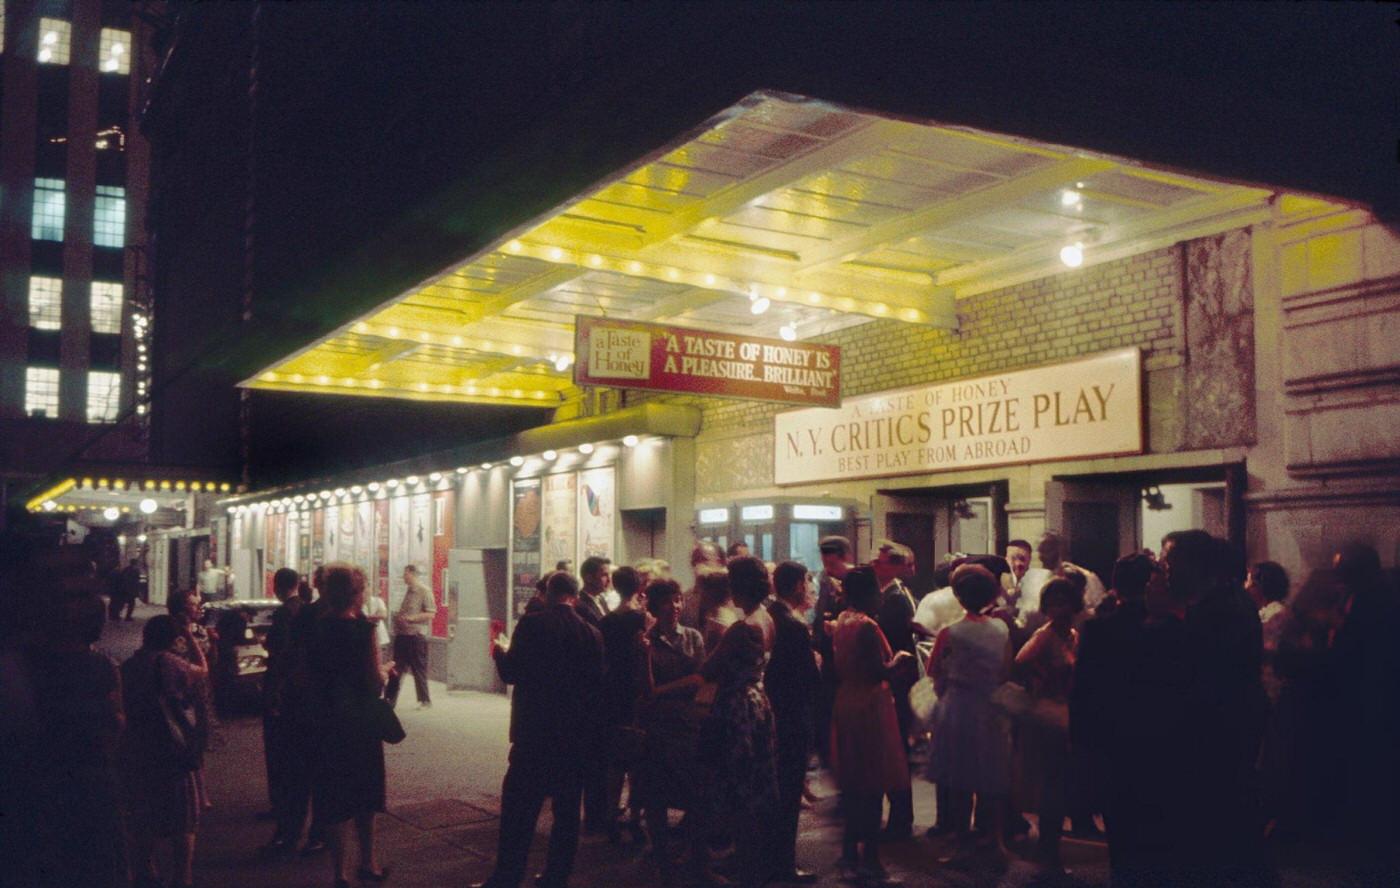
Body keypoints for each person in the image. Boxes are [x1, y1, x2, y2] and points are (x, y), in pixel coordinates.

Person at [473, 571, 604, 888]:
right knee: (567, 813)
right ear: (574, 596)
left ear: (547, 594)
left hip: (534, 734)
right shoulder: (592, 633)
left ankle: (507, 877)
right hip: (573, 737)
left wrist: (499, 653)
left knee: (519, 810)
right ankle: (556, 876)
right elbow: (597, 687)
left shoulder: (533, 624)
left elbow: (512, 672)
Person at [29, 591, 126, 888]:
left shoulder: (35, 666)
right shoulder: (102, 667)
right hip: (93, 767)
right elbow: (117, 720)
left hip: (48, 770)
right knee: (99, 853)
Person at [696, 556, 778, 888]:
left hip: (736, 708)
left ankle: (748, 870)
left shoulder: (742, 628)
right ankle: (755, 867)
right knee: (755, 789)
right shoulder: (766, 618)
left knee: (738, 792)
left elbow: (708, 669)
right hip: (757, 701)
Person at [924, 564, 1012, 871]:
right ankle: (994, 839)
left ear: (959, 597)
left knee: (959, 779)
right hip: (992, 706)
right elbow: (1006, 670)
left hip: (959, 706)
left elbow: (933, 670)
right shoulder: (1001, 629)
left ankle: (961, 842)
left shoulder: (951, 632)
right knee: (991, 775)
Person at [306, 564, 389, 887]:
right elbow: (373, 681)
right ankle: (368, 862)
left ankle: (339, 872)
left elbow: (304, 675)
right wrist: (386, 673)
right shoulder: (364, 630)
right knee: (365, 793)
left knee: (333, 794)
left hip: (326, 719)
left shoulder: (316, 629)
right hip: (359, 721)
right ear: (357, 593)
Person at [830, 566, 912, 883]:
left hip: (848, 699)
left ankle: (851, 851)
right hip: (869, 704)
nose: (881, 596)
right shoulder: (865, 626)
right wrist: (899, 660)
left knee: (854, 779)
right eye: (877, 590)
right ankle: (872, 861)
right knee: (873, 782)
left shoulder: (843, 620)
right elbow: (878, 671)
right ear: (866, 593)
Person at [120, 614, 208, 888]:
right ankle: (182, 877)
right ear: (172, 639)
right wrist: (191, 637)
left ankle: (146, 871)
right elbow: (202, 672)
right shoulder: (169, 663)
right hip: (171, 747)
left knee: (143, 812)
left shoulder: (129, 666)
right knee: (183, 817)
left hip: (138, 746)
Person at [636, 578, 707, 886]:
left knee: (696, 794)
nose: (675, 606)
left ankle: (696, 860)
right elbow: (645, 690)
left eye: (678, 599)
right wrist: (645, 656)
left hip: (689, 726)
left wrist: (663, 690)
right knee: (656, 796)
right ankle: (662, 859)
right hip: (657, 728)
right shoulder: (645, 641)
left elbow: (700, 679)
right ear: (654, 606)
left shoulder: (692, 637)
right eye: (668, 600)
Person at [1014, 577, 1084, 873]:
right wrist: (1041, 680)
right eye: (1054, 603)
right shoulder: (1045, 636)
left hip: (1065, 713)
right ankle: (1047, 851)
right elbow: (1021, 661)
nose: (1060, 609)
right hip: (1046, 715)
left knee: (1058, 784)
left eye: (1065, 602)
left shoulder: (1072, 635)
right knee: (1050, 784)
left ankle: (1050, 850)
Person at [765, 561, 821, 885]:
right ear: (799, 584)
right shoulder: (793, 624)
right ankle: (783, 865)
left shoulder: (771, 614)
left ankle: (771, 859)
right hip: (792, 716)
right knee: (787, 793)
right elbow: (808, 679)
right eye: (807, 581)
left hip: (774, 712)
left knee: (775, 792)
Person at [872, 540, 923, 840]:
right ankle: (898, 817)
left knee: (896, 754)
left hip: (896, 686)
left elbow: (891, 645)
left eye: (879, 561)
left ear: (894, 566)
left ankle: (901, 820)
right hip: (896, 685)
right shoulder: (893, 594)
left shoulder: (895, 599)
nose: (874, 565)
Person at [598, 565, 649, 844]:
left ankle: (609, 815)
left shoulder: (606, 621)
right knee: (638, 760)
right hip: (637, 692)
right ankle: (635, 818)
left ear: (614, 587)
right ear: (639, 587)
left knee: (615, 760)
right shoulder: (643, 619)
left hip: (613, 692)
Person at [259, 567, 308, 856]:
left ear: (277, 586)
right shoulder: (305, 609)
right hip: (299, 693)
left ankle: (282, 813)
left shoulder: (283, 613)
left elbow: (280, 651)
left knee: (279, 754)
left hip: (282, 690)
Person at [812, 535, 852, 766]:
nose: (827, 567)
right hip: (827, 655)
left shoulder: (854, 581)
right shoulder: (825, 582)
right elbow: (820, 614)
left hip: (844, 656)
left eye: (832, 561)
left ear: (844, 557)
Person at [385, 563, 435, 709]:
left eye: (406, 574)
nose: (404, 577)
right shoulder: (407, 591)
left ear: (413, 574)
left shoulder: (424, 591)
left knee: (418, 669)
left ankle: (425, 700)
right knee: (396, 668)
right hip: (402, 635)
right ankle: (390, 699)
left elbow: (431, 613)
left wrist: (412, 618)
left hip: (416, 636)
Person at [1037, 532, 1106, 614]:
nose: (1041, 557)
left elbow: (1100, 609)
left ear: (1061, 551)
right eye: (1040, 551)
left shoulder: (1087, 578)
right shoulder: (1037, 580)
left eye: (1047, 551)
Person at [1006, 539, 1051, 622]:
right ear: (1006, 559)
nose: (1018, 563)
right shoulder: (997, 583)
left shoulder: (1040, 580)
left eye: (1022, 559)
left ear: (1029, 559)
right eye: (1013, 558)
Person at [576, 556, 613, 628]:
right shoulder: (581, 605)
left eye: (609, 575)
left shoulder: (601, 599)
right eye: (604, 575)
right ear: (589, 578)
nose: (609, 580)